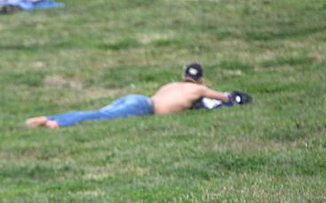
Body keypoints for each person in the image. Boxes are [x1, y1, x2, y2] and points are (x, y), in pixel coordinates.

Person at [25, 63, 251, 128]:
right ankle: (55, 123)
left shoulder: (171, 84)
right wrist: (235, 99)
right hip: (143, 108)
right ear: (200, 80)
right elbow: (223, 97)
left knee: (100, 112)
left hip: (137, 98)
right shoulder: (199, 89)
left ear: (183, 76)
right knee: (98, 117)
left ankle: (52, 117)